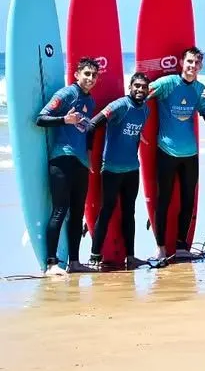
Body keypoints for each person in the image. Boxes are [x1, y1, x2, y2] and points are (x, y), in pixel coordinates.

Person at [147, 46, 205, 262]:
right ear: (182, 63)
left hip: (190, 154)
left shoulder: (199, 89)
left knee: (188, 201)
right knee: (164, 200)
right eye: (189, 62)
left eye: (196, 63)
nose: (192, 66)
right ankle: (160, 247)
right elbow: (139, 95)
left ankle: (180, 246)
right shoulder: (168, 84)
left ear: (200, 66)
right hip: (166, 151)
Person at [35, 57, 99, 276]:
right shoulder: (65, 94)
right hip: (61, 159)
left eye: (94, 75)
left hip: (80, 162)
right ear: (77, 75)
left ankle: (74, 262)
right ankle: (52, 264)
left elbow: (89, 129)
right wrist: (64, 120)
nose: (90, 78)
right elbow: (40, 119)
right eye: (87, 74)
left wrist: (89, 155)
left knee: (78, 213)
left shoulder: (90, 102)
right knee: (60, 210)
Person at [85, 73, 151, 271]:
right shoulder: (119, 105)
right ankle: (94, 256)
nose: (140, 90)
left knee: (129, 213)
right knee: (106, 211)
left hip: (132, 169)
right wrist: (88, 155)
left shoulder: (145, 110)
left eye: (144, 87)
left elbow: (135, 135)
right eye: (137, 86)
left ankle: (130, 257)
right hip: (112, 169)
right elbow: (91, 125)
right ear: (130, 86)